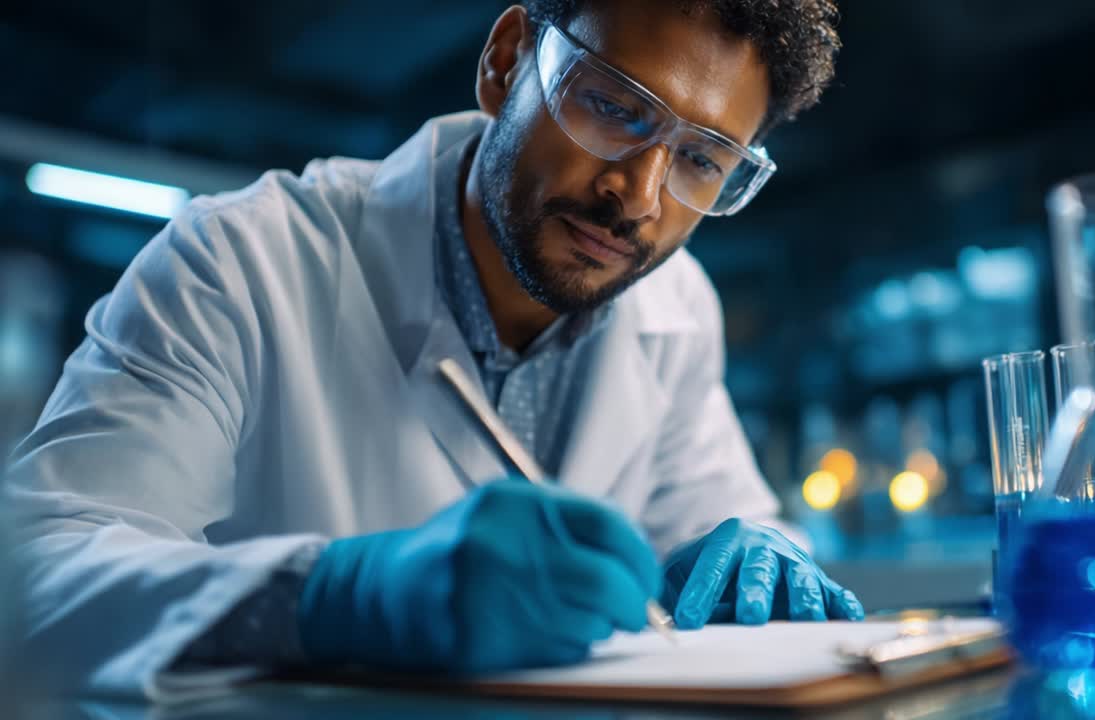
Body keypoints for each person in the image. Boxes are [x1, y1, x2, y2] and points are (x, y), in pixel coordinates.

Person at [4, 0, 859, 698]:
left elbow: (727, 533)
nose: (636, 197)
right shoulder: (239, 261)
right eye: (613, 107)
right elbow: (34, 575)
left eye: (702, 162)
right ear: (506, 62)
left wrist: (764, 559)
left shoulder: (675, 309)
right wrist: (335, 597)